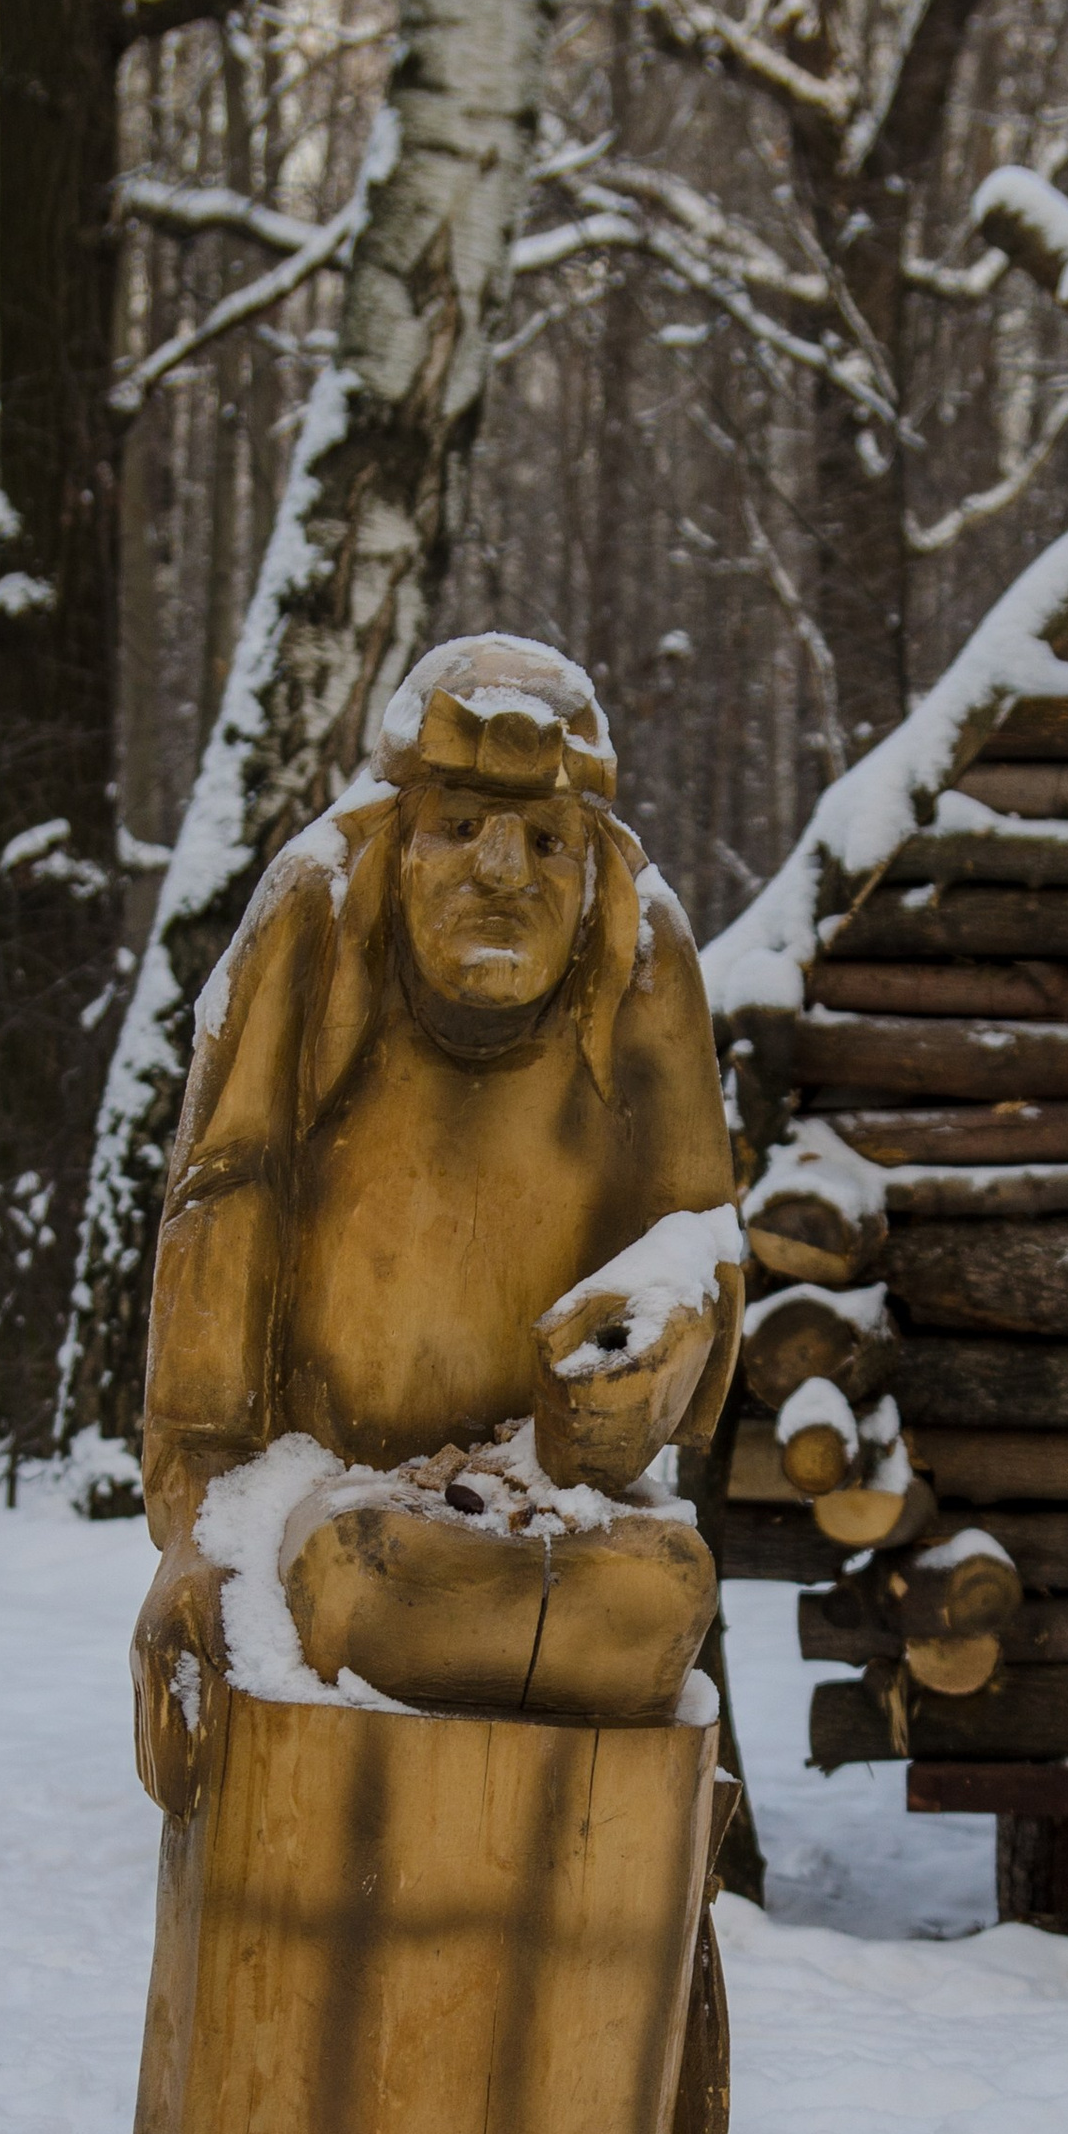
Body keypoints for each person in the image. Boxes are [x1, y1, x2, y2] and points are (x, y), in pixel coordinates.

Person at [128, 637, 741, 1814]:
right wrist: (199, 1526)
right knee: (372, 1579)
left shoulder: (642, 947)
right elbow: (223, 1204)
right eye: (457, 828)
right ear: (396, 838)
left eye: (546, 841)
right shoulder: (319, 909)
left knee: (658, 1596)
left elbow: (696, 1232)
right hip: (335, 1504)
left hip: (549, 1497)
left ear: (591, 860)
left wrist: (661, 1347)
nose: (501, 867)